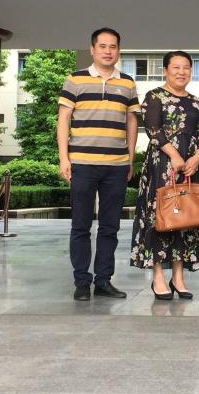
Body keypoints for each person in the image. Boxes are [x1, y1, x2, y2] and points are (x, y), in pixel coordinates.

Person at [58, 27, 140, 301]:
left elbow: (131, 121)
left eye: (113, 46)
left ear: (119, 51)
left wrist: (130, 158)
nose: (108, 51)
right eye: (102, 46)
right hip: (82, 163)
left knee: (110, 226)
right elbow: (63, 119)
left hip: (116, 165)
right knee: (80, 225)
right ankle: (82, 282)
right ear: (92, 49)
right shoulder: (75, 79)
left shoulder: (127, 83)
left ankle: (103, 280)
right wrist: (64, 158)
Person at [130, 51, 199, 299]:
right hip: (161, 164)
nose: (181, 72)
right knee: (161, 218)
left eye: (186, 67)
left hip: (190, 168)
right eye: (176, 67)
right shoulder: (154, 96)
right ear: (165, 70)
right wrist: (174, 156)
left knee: (185, 218)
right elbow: (153, 130)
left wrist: (196, 158)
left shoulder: (196, 101)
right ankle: (158, 278)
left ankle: (179, 277)